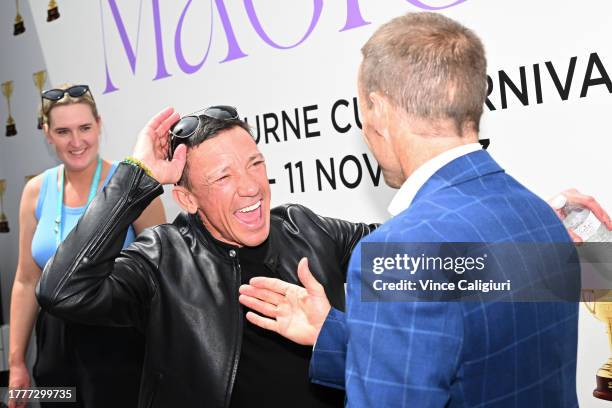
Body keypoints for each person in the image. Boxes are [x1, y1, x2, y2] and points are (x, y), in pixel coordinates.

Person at [236, 12, 612, 407]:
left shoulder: (402, 252)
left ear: (377, 110)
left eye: (362, 109)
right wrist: (331, 333)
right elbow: (468, 357)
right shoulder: (539, 213)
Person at [35, 105, 377, 407]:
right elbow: (63, 290)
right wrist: (135, 177)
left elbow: (421, 263)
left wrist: (338, 332)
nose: (251, 186)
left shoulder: (305, 228)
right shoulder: (162, 260)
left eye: (255, 164)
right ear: (187, 200)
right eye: (223, 176)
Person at [8, 84, 166, 408]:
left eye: (84, 128)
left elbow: (163, 274)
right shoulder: (36, 191)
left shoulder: (131, 187)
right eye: (63, 131)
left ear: (99, 124)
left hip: (119, 344)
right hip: (54, 350)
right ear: (47, 134)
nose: (76, 141)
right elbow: (26, 280)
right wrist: (16, 363)